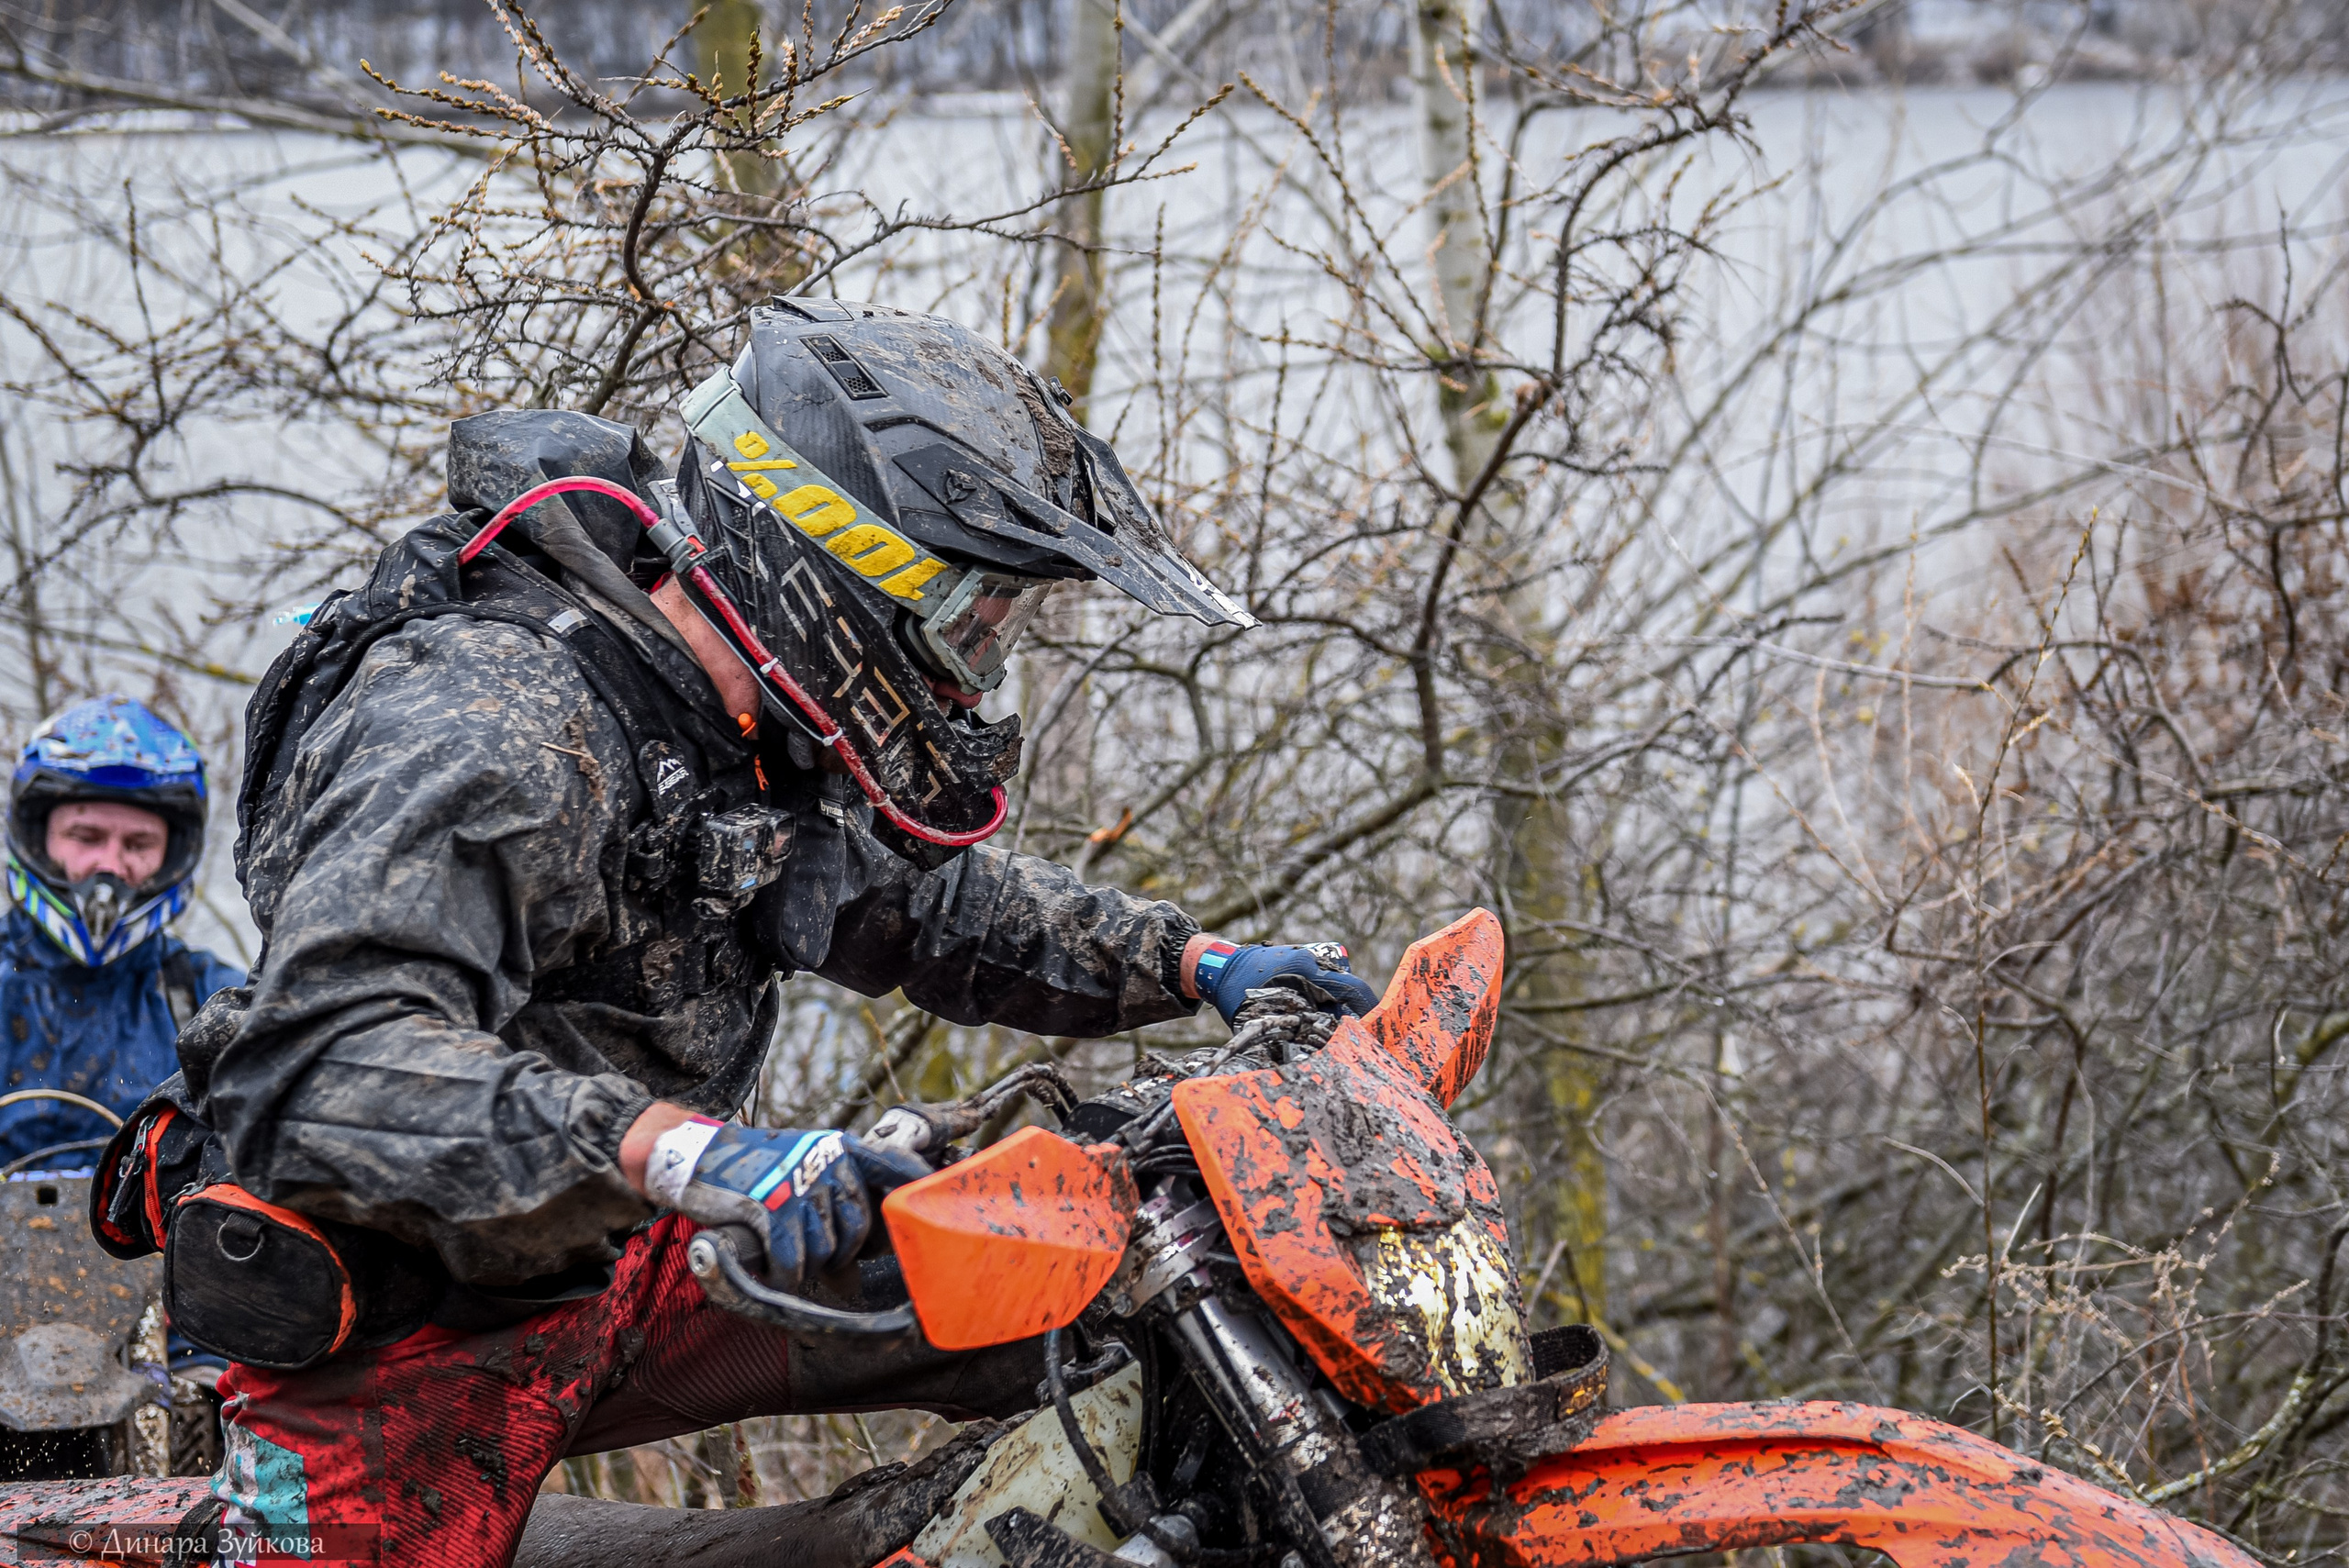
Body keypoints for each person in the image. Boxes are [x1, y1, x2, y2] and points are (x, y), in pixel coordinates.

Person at [107, 301, 1378, 1567]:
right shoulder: (499, 725)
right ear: (839, 574)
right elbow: (323, 1062)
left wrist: (1196, 963)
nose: (977, 674)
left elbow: (918, 901)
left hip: (638, 1245)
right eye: (973, 628)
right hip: (411, 1319)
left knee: (1106, 1272)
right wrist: (696, 1154)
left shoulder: (738, 724)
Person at [0, 695, 242, 1174]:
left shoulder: (213, 1001)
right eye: (86, 837)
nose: (110, 866)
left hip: (155, 1226)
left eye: (138, 843)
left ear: (172, 853)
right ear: (39, 837)